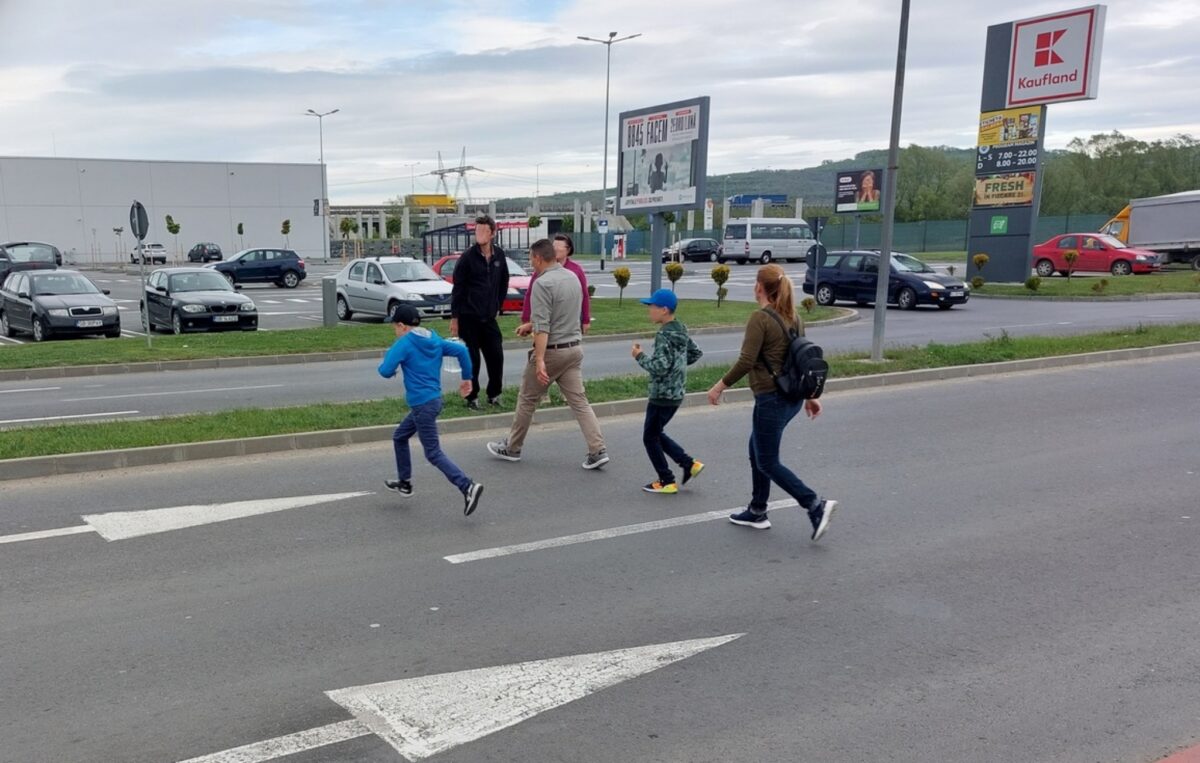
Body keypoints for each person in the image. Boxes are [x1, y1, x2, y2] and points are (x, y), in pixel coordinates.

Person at [705, 264, 838, 540]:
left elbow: (746, 361)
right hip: (790, 398)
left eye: (756, 283)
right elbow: (802, 361)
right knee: (757, 451)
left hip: (772, 399)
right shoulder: (795, 318)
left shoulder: (760, 319)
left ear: (759, 287)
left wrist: (719, 387)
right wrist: (811, 397)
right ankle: (757, 510)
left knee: (767, 460)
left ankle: (815, 505)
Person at [487, 238, 608, 469]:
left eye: (531, 258)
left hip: (553, 351)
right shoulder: (572, 277)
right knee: (580, 402)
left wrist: (540, 359)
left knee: (527, 399)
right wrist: (530, 325)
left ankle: (512, 447)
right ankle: (597, 449)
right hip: (574, 349)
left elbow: (544, 327)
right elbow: (561, 314)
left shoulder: (542, 283)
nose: (531, 263)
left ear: (539, 258)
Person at [378, 304, 484, 516]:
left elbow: (385, 370)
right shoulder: (433, 339)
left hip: (422, 405)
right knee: (400, 436)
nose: (395, 332)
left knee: (433, 453)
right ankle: (405, 482)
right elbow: (462, 350)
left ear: (402, 326)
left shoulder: (405, 343)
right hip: (433, 401)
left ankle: (467, 486)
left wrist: (395, 366)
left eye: (395, 328)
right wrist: (467, 378)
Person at [631, 288, 704, 494]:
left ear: (664, 310)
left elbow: (659, 367)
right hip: (677, 393)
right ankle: (689, 464)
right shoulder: (681, 328)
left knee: (649, 437)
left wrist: (639, 356)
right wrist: (678, 367)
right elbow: (695, 352)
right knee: (655, 433)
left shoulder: (663, 335)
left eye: (651, 307)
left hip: (662, 394)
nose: (649, 311)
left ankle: (666, 480)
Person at [450, 215, 509, 410]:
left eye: (484, 231)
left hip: (489, 318)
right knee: (472, 360)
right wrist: (455, 318)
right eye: (477, 230)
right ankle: (472, 398)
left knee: (496, 357)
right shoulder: (467, 258)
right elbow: (458, 289)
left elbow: (503, 282)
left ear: (492, 233)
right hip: (468, 318)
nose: (479, 234)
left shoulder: (499, 255)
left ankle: (494, 394)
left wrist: (498, 305)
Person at [517, 233, 590, 337]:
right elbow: (530, 294)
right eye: (553, 246)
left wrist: (586, 320)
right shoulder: (541, 269)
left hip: (569, 319)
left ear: (568, 250)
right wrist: (525, 318)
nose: (555, 249)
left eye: (559, 247)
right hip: (547, 318)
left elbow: (585, 295)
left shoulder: (576, 270)